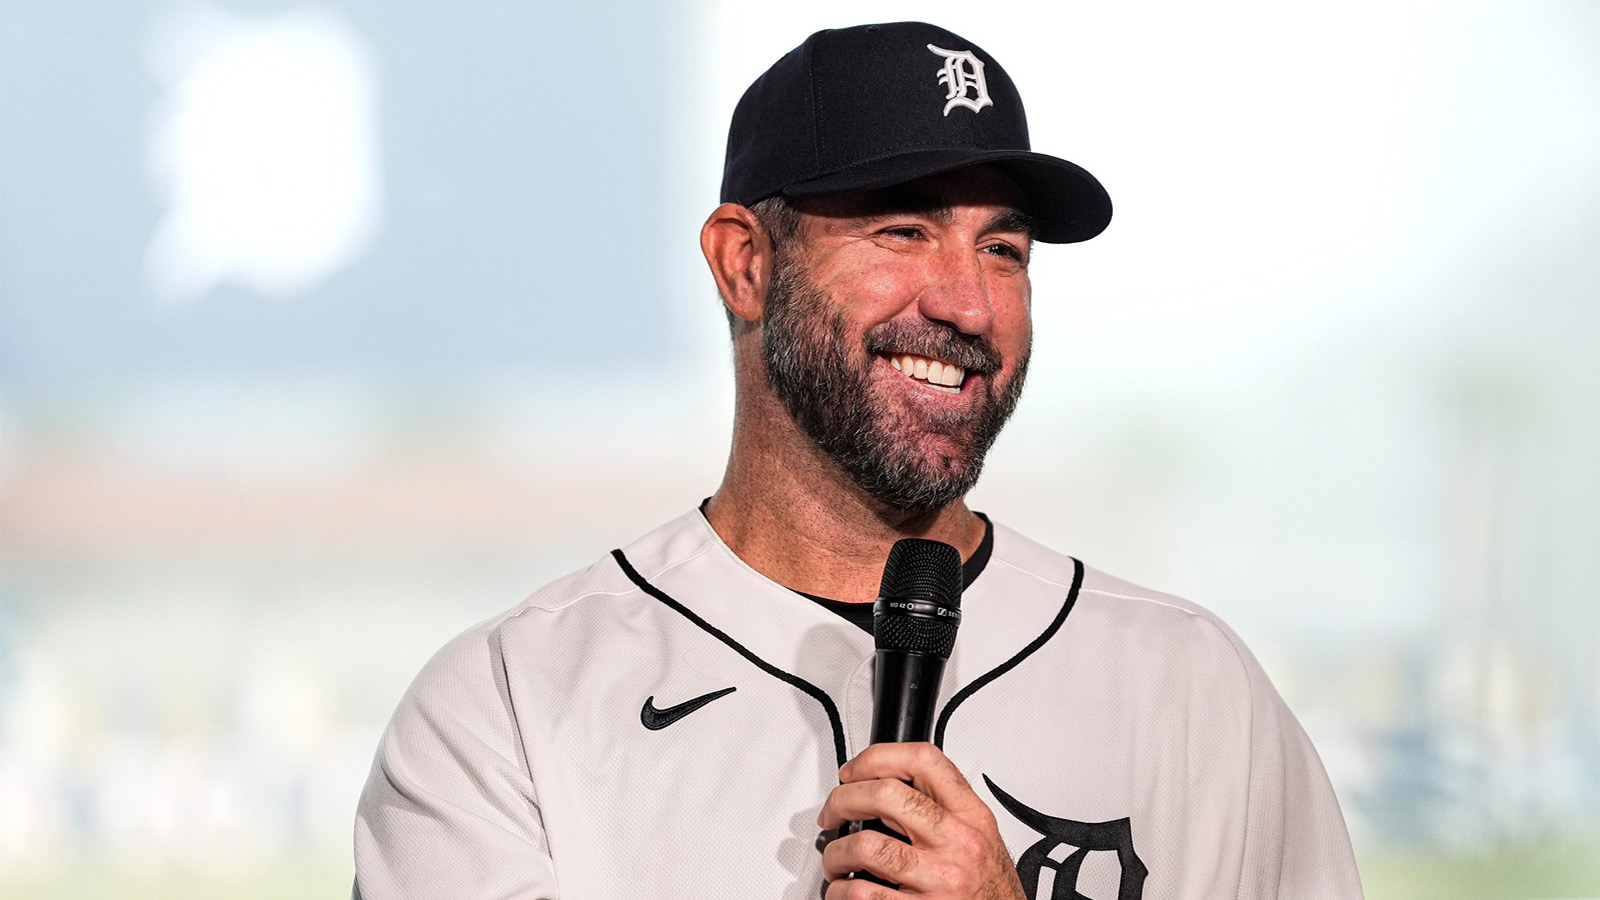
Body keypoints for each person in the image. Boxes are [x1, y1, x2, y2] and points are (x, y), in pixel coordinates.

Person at [353, 21, 1363, 900]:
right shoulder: (509, 705)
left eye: (1003, 251)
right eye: (904, 229)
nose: (967, 304)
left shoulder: (1192, 689)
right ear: (745, 264)